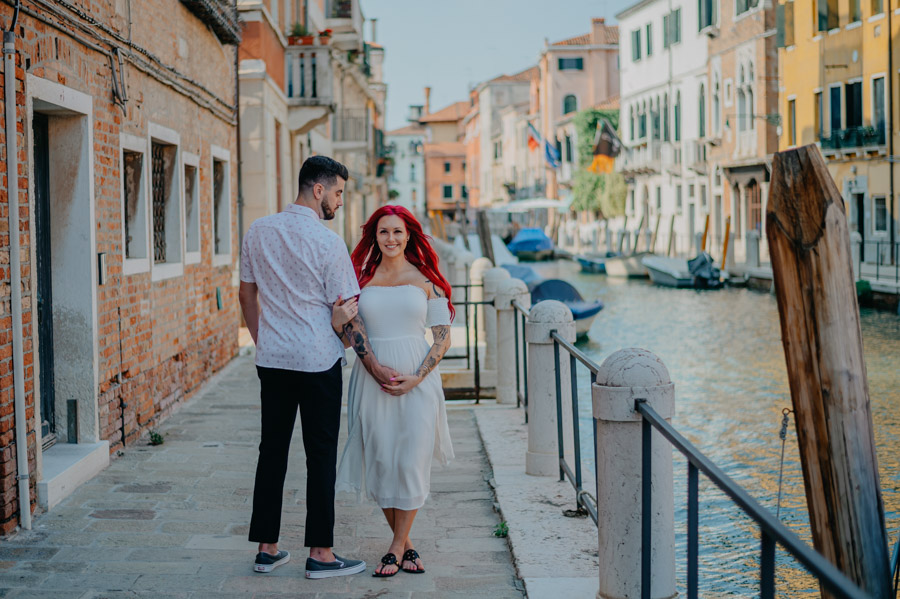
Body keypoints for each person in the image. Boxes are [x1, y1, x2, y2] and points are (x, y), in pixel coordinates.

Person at [239, 156, 397, 579]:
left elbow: (246, 295)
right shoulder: (328, 243)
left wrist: (264, 340)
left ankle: (267, 549)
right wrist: (377, 367)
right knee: (320, 455)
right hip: (317, 361)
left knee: (271, 451)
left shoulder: (258, 231)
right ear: (319, 190)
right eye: (339, 193)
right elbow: (347, 315)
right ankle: (321, 554)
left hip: (273, 360)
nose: (341, 202)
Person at [334, 205, 455, 577]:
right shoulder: (359, 280)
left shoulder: (425, 279)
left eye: (397, 232)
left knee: (411, 461)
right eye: (383, 232)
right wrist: (368, 361)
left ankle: (394, 547)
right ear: (374, 237)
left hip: (418, 379)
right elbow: (350, 330)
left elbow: (442, 337)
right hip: (371, 379)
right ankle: (408, 545)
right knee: (382, 462)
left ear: (408, 236)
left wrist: (418, 376)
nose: (391, 239)